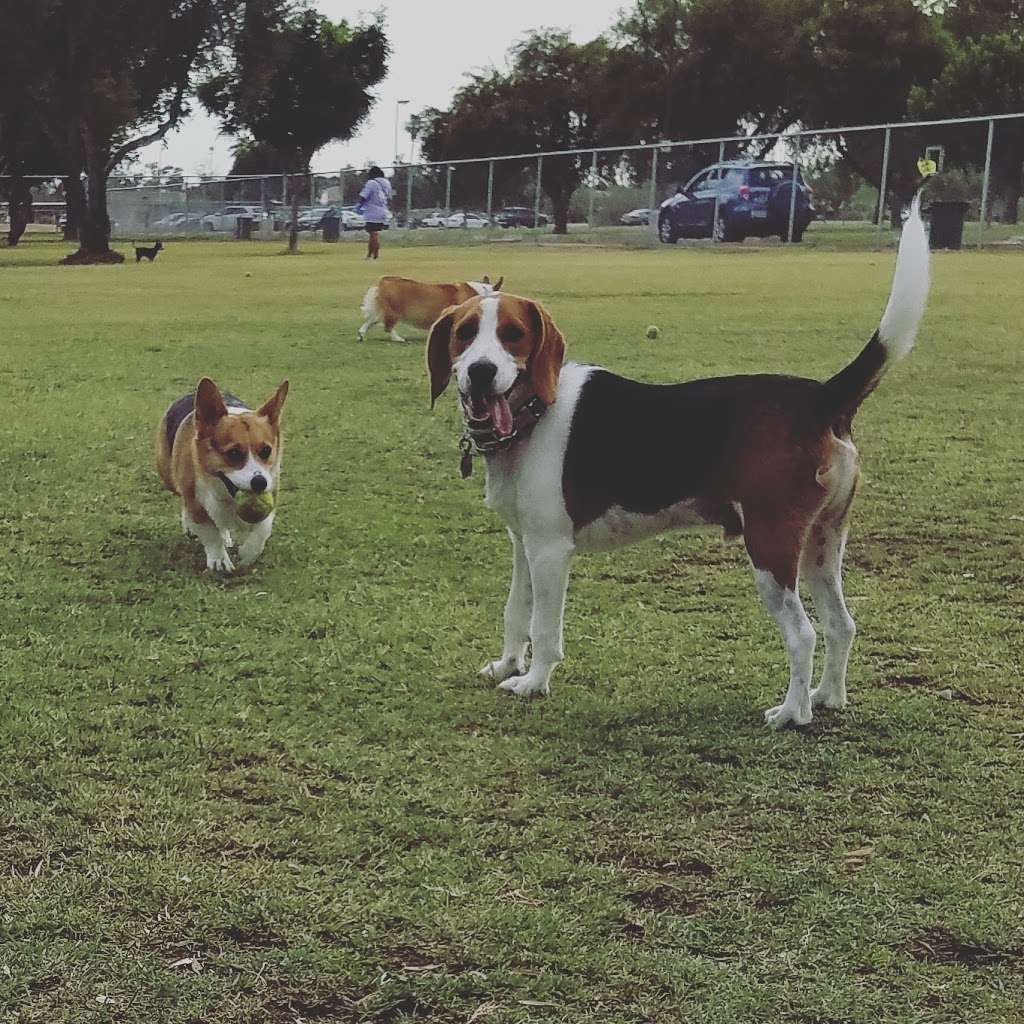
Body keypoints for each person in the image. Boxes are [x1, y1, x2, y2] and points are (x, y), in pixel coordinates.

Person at [355, 166, 393, 260]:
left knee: (373, 233)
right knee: (374, 233)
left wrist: (358, 206)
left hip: (373, 211)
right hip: (383, 210)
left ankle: (373, 254)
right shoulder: (386, 183)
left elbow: (364, 196)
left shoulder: (371, 183)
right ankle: (370, 254)